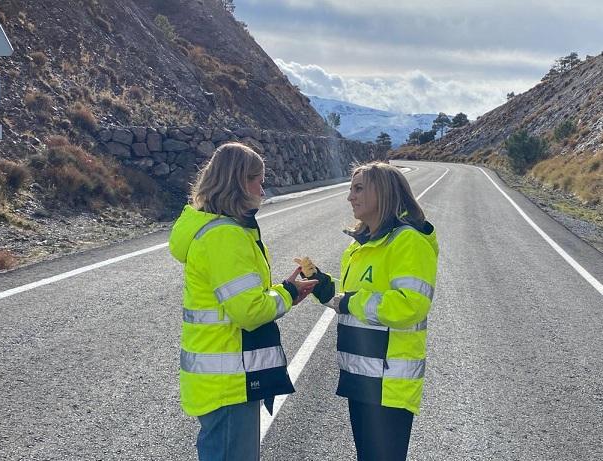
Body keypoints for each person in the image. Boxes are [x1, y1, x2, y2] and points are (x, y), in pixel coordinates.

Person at [169, 142, 317, 461]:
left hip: (222, 377)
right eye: (258, 180)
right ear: (238, 182)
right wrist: (289, 292)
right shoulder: (226, 235)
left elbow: (241, 300)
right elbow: (249, 312)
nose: (262, 190)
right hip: (230, 380)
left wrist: (284, 290)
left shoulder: (214, 230)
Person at [299, 161, 438, 461]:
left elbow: (410, 305)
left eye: (359, 188)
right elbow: (356, 300)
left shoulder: (408, 242)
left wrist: (351, 301)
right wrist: (325, 288)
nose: (350, 196)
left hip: (389, 383)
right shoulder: (359, 246)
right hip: (360, 377)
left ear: (384, 192)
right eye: (351, 189)